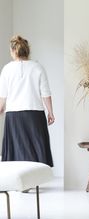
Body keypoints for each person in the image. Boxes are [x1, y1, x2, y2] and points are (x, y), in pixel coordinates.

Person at [0, 35, 54, 167]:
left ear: (13, 51)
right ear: (27, 51)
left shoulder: (7, 69)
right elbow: (46, 94)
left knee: (16, 149)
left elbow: (3, 96)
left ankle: (19, 181)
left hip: (13, 115)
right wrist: (51, 113)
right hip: (34, 114)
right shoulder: (38, 67)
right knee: (36, 148)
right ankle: (35, 180)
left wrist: (1, 108)